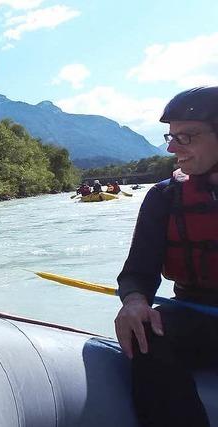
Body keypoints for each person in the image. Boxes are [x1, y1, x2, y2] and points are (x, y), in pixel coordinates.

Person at [114, 86, 218, 427]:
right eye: (170, 137)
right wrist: (133, 301)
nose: (172, 148)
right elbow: (137, 272)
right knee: (145, 332)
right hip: (196, 316)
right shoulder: (164, 197)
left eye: (186, 137)